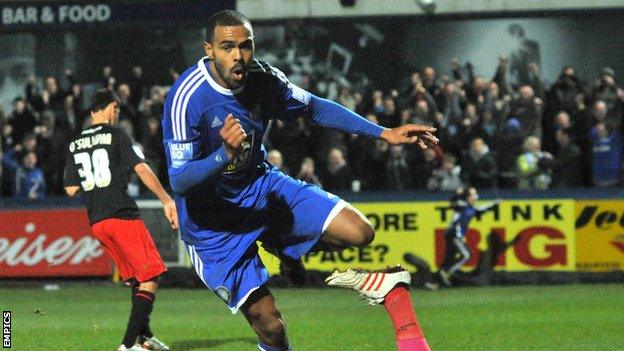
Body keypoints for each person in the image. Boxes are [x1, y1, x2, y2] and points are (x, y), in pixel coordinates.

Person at [161, 10, 438, 351]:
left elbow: (315, 108)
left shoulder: (265, 80)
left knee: (360, 231)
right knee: (271, 328)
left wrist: (384, 133)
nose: (238, 55)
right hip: (212, 225)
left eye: (246, 46)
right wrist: (223, 155)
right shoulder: (187, 98)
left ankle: (284, 245)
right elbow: (179, 181)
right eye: (227, 47)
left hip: (261, 189)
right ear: (209, 50)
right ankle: (282, 247)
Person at [64, 89, 177, 351]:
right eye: (117, 110)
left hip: (97, 222)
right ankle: (127, 346)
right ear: (112, 107)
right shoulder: (116, 135)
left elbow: (70, 190)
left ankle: (144, 338)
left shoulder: (75, 142)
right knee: (150, 276)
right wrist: (165, 199)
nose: (117, 114)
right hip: (120, 214)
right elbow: (141, 167)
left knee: (138, 278)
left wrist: (94, 180)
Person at [438, 187, 500, 287]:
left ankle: (440, 278)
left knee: (450, 258)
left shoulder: (471, 208)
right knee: (466, 255)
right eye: (474, 194)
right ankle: (447, 272)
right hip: (453, 235)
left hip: (454, 236)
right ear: (468, 197)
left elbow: (482, 209)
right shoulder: (461, 205)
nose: (477, 197)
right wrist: (458, 194)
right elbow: (454, 205)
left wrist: (494, 203)